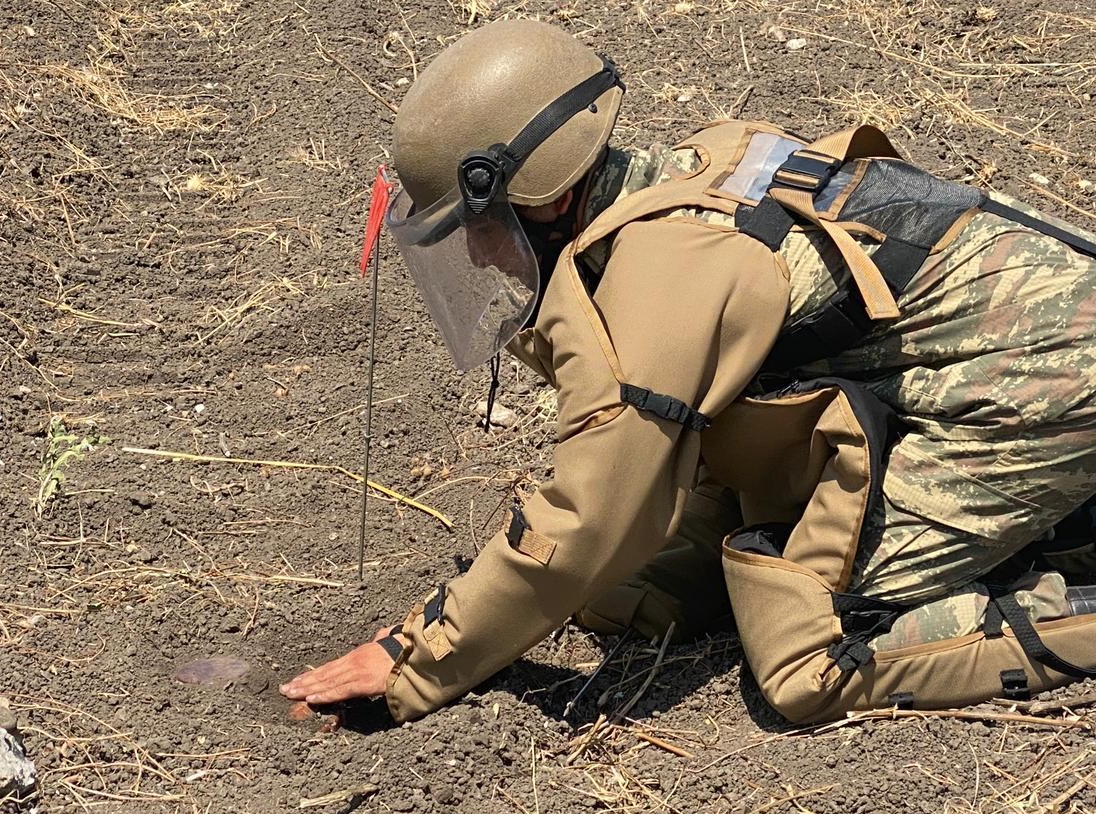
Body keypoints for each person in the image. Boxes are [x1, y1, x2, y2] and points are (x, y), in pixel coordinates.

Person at [280, 19, 1096, 724]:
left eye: (478, 227)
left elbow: (593, 515)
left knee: (806, 655)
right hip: (1002, 370)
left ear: (537, 197)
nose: (476, 252)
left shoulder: (660, 272)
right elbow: (706, 445)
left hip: (1043, 392)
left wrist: (416, 656)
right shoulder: (684, 180)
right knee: (638, 593)